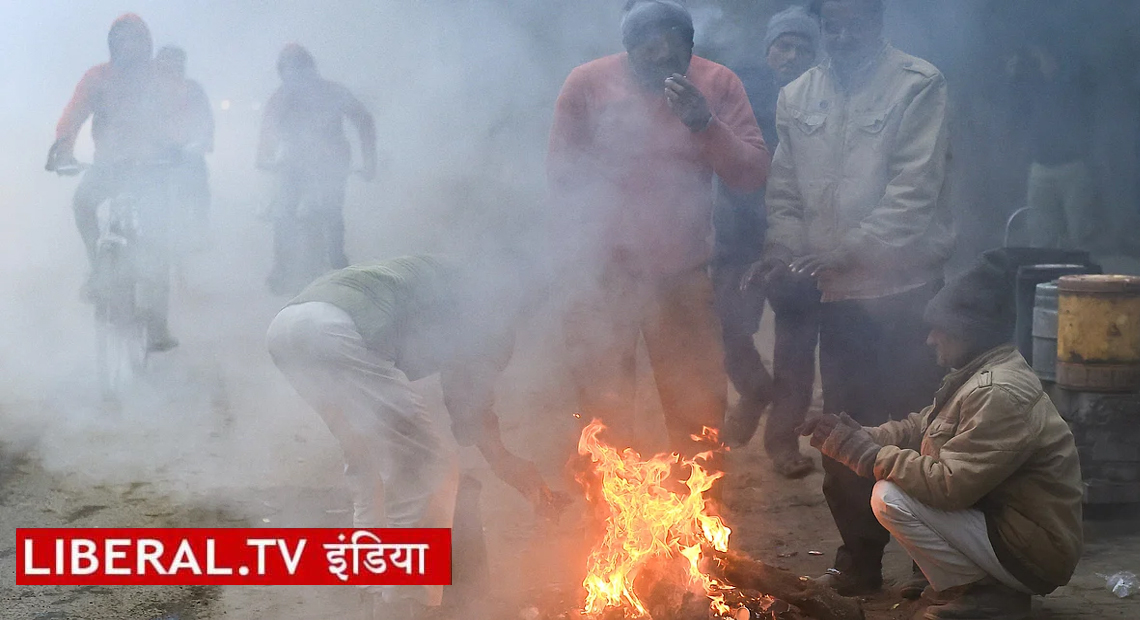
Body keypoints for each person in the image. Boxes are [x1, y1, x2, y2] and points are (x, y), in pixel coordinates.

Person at [745, 0, 954, 595]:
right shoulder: (798, 95)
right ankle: (859, 558)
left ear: (877, 22)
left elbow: (914, 192)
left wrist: (851, 248)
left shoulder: (918, 84)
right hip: (839, 296)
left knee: (918, 430)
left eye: (853, 24)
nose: (840, 36)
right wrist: (781, 249)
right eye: (830, 26)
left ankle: (930, 562)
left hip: (906, 291)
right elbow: (785, 190)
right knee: (844, 429)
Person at [267, 254, 559, 620]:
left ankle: (373, 592)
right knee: (428, 466)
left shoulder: (450, 277)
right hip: (336, 330)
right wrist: (504, 461)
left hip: (287, 328)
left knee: (368, 465)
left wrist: (504, 461)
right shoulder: (487, 311)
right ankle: (405, 604)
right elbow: (468, 398)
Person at [799, 249, 1083, 620]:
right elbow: (922, 427)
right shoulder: (978, 374)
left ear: (970, 333)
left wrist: (867, 455)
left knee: (890, 497)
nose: (931, 339)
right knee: (897, 485)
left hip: (1033, 553)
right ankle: (972, 586)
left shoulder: (997, 391)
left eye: (941, 329)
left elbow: (950, 486)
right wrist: (857, 434)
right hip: (1015, 532)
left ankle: (987, 595)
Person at [548, 0, 770, 460]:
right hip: (605, 276)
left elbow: (751, 174)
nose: (664, 61)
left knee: (698, 411)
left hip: (682, 274)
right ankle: (610, 499)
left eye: (675, 52)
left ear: (691, 46)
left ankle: (697, 499)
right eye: (649, 53)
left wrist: (705, 124)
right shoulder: (587, 83)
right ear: (628, 49)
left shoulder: (717, 83)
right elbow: (562, 176)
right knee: (602, 409)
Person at [714, 5, 820, 480]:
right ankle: (754, 391)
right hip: (738, 233)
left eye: (803, 48)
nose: (792, 56)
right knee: (728, 330)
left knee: (796, 343)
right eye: (784, 45)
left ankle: (783, 441)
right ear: (768, 50)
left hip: (799, 235)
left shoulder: (823, 100)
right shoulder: (738, 93)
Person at [45, 13, 181, 352]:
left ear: (146, 44)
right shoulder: (97, 77)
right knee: (82, 203)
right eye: (122, 41)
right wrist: (63, 148)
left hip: (152, 169)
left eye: (135, 40)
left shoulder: (161, 76)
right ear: (112, 45)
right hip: (109, 166)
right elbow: (73, 114)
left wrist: (178, 145)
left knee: (157, 244)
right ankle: (98, 270)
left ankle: (157, 324)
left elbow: (179, 113)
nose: (129, 47)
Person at [256, 44, 377, 294]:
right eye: (290, 71)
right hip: (295, 162)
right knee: (283, 213)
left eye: (299, 69)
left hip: (330, 161)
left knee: (329, 211)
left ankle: (337, 264)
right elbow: (268, 129)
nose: (296, 77)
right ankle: (283, 268)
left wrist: (369, 162)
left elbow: (364, 120)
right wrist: (264, 156)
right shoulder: (282, 96)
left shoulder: (331, 92)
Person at [1007, 41, 1095, 250]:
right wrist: (1012, 75)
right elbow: (1013, 108)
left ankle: (1082, 268)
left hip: (1072, 167)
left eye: (1043, 57)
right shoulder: (1031, 87)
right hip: (1040, 168)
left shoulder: (1073, 85)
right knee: (1040, 233)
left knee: (1079, 233)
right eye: (1037, 59)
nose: (1040, 63)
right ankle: (1042, 268)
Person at [155, 45, 214, 250]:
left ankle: (200, 229)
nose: (172, 67)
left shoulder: (193, 89)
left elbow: (206, 119)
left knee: (198, 187)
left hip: (189, 151)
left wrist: (203, 141)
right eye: (167, 62)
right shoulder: (151, 90)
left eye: (176, 62)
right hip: (158, 154)